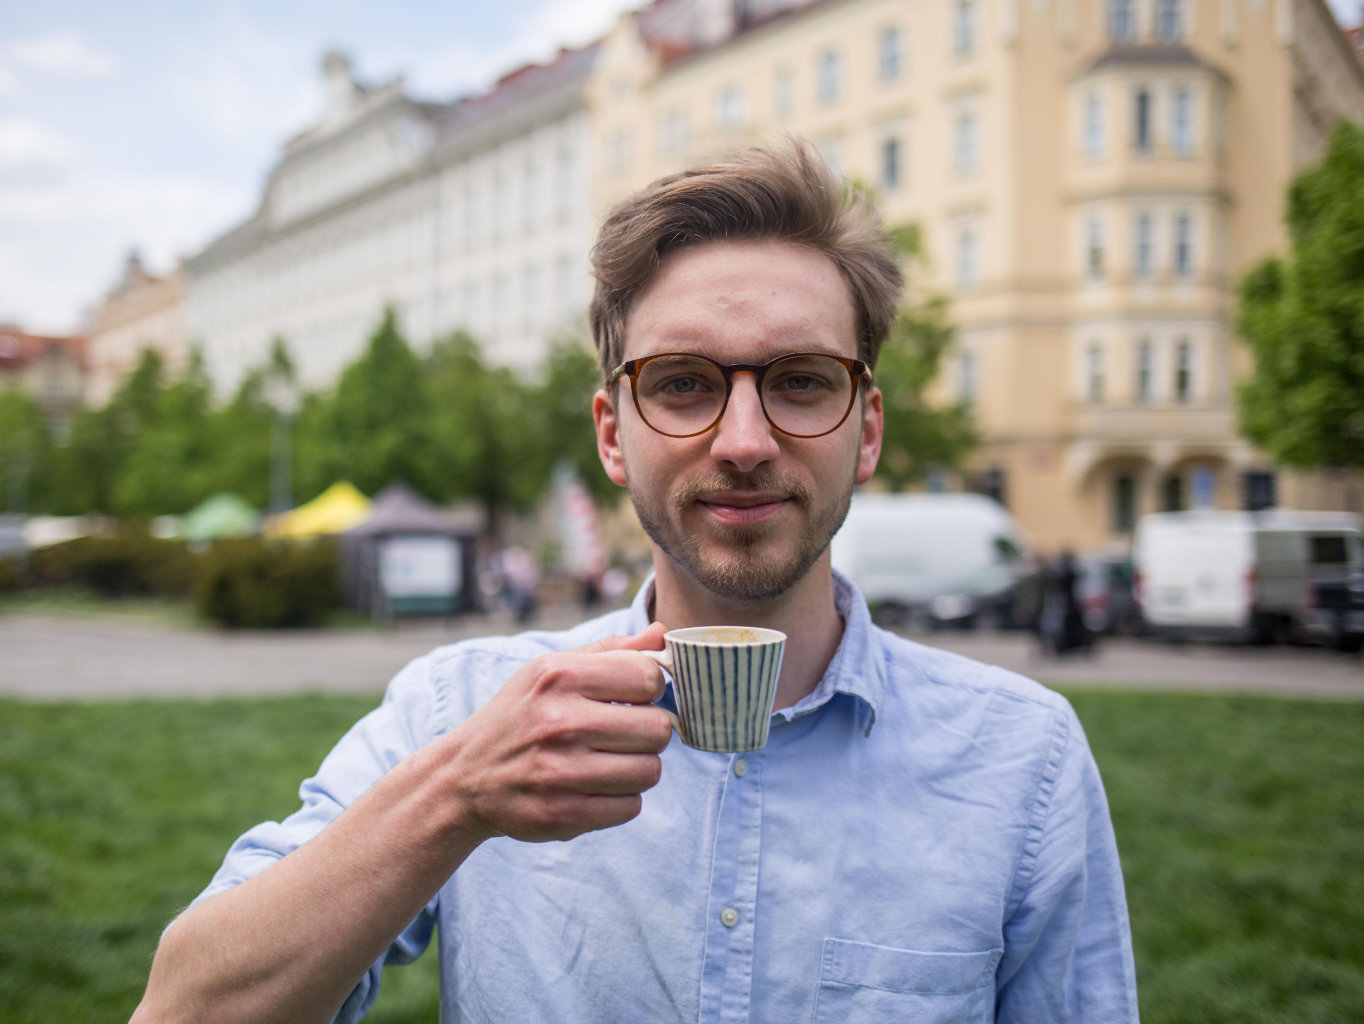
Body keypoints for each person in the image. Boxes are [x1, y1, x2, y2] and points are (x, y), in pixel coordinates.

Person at [132, 141, 1138, 1024]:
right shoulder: (461, 713)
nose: (743, 442)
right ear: (613, 433)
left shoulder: (1021, 759)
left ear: (864, 427)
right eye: (683, 384)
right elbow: (186, 1008)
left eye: (799, 381)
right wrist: (455, 795)